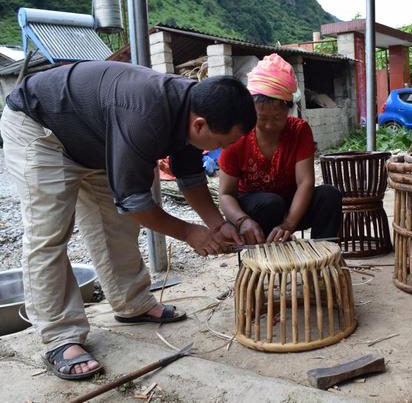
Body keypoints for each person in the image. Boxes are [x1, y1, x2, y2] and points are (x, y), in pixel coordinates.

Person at [0, 61, 256, 380]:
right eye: (220, 143)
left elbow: (190, 177)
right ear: (201, 125)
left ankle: (131, 303)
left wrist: (217, 226)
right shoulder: (147, 114)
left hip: (94, 139)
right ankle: (60, 337)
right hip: (41, 127)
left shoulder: (192, 108)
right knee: (49, 232)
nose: (221, 150)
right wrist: (191, 233)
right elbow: (134, 201)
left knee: (118, 225)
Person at [218, 53, 341, 244]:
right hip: (253, 212)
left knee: (329, 195)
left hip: (290, 207)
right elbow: (226, 195)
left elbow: (305, 183)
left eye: (276, 118)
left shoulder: (299, 130)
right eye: (262, 118)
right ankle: (265, 261)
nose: (269, 125)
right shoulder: (238, 135)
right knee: (270, 203)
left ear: (288, 110)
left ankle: (324, 261)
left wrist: (288, 225)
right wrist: (242, 221)